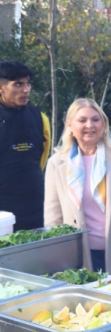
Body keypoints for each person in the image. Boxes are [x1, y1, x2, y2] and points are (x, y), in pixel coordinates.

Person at [45, 99, 111, 276]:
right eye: (82, 120)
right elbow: (53, 219)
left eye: (95, 119)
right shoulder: (56, 163)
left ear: (103, 124)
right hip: (79, 257)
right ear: (70, 125)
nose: (90, 125)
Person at [0, 61, 50, 231]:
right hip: (3, 213)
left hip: (37, 206)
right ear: (1, 87)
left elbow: (42, 158)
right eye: (18, 84)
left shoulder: (40, 118)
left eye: (28, 84)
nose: (26, 90)